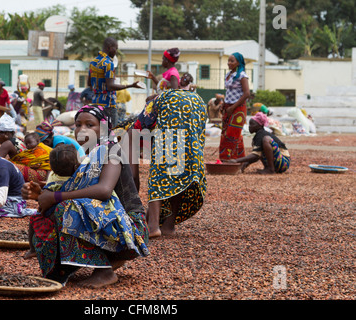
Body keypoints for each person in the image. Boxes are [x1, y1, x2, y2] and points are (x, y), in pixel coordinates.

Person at [21, 105, 149, 288]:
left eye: (90, 125)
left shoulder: (112, 151)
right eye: (78, 125)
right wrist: (40, 194)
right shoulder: (89, 155)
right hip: (109, 221)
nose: (82, 130)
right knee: (54, 208)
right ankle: (76, 264)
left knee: (66, 207)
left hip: (130, 228)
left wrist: (56, 196)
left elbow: (104, 190)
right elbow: (74, 187)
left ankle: (104, 271)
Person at [144, 89, 208, 238]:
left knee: (157, 178)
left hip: (169, 135)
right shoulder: (195, 99)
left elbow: (145, 123)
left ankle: (153, 226)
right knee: (179, 178)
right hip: (192, 141)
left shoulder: (157, 101)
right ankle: (169, 225)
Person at [24, 143, 80, 260]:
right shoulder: (78, 178)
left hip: (48, 212)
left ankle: (32, 249)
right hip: (65, 213)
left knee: (33, 222)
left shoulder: (53, 177)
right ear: (76, 167)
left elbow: (45, 194)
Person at [88, 37, 140, 128]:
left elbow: (89, 83)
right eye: (116, 48)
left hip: (96, 103)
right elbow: (110, 86)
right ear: (110, 47)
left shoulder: (93, 62)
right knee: (112, 132)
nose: (116, 51)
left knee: (101, 132)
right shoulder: (108, 63)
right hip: (108, 104)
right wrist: (130, 85)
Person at [219, 52, 250, 161]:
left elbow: (247, 93)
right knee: (228, 132)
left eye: (232, 61)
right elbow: (228, 91)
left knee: (232, 133)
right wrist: (224, 104)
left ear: (238, 63)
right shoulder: (228, 75)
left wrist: (233, 107)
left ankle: (227, 158)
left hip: (238, 108)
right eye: (228, 61)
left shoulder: (242, 75)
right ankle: (240, 159)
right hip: (228, 106)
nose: (229, 63)